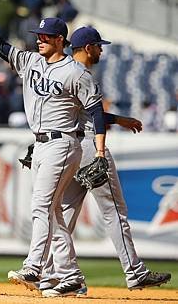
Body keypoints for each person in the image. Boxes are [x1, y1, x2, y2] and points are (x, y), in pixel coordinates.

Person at [0, 0, 107, 296]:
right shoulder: (29, 61)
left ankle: (34, 266)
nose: (39, 39)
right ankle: (70, 274)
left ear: (60, 40)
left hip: (63, 142)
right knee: (52, 211)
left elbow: (96, 110)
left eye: (45, 36)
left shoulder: (75, 72)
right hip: (40, 145)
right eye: (38, 35)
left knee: (41, 205)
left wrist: (99, 151)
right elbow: (0, 46)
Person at [39, 26, 171, 297]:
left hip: (66, 148)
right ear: (87, 48)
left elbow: (83, 111)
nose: (100, 50)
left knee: (63, 213)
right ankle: (134, 271)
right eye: (98, 46)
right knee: (114, 212)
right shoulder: (82, 74)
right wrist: (100, 150)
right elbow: (95, 115)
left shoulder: (59, 71)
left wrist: (119, 119)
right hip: (88, 146)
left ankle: (52, 275)